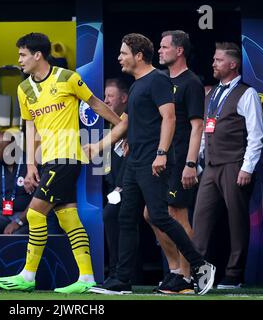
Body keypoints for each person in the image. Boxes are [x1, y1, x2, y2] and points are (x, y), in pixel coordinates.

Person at [84, 33, 215, 295]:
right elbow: (127, 123)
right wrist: (99, 146)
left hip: (152, 160)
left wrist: (161, 153)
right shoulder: (136, 85)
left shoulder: (158, 80)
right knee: (125, 216)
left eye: (123, 53)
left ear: (139, 55)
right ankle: (121, 279)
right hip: (135, 161)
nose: (119, 57)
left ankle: (200, 265)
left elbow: (169, 118)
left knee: (157, 215)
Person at [0, 32, 122, 294]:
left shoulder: (68, 78)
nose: (19, 60)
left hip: (67, 158)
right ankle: (86, 277)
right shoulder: (23, 89)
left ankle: (28, 276)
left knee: (33, 213)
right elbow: (30, 128)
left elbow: (96, 105)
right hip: (46, 160)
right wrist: (30, 165)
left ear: (37, 55)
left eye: (22, 55)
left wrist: (122, 126)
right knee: (68, 217)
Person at [192, 42, 263, 289]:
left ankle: (234, 275)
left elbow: (256, 135)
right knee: (200, 221)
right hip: (211, 166)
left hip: (235, 165)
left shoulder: (247, 93)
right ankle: (200, 275)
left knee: (237, 222)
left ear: (232, 64)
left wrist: (247, 168)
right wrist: (199, 162)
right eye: (214, 59)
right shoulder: (211, 93)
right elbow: (204, 131)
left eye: (219, 60)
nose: (213, 63)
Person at [142, 30, 205, 294]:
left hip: (180, 160)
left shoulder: (191, 83)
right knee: (151, 214)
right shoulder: (161, 80)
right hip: (162, 159)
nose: (159, 51)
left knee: (178, 216)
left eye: (165, 47)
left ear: (179, 51)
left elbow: (197, 126)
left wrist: (191, 164)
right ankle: (175, 272)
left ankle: (188, 278)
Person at [101, 78, 129, 282]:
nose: (106, 101)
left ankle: (118, 274)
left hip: (128, 186)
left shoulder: (132, 125)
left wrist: (119, 188)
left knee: (111, 215)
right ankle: (114, 273)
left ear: (124, 98)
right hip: (111, 187)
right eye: (104, 96)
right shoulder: (104, 126)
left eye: (110, 96)